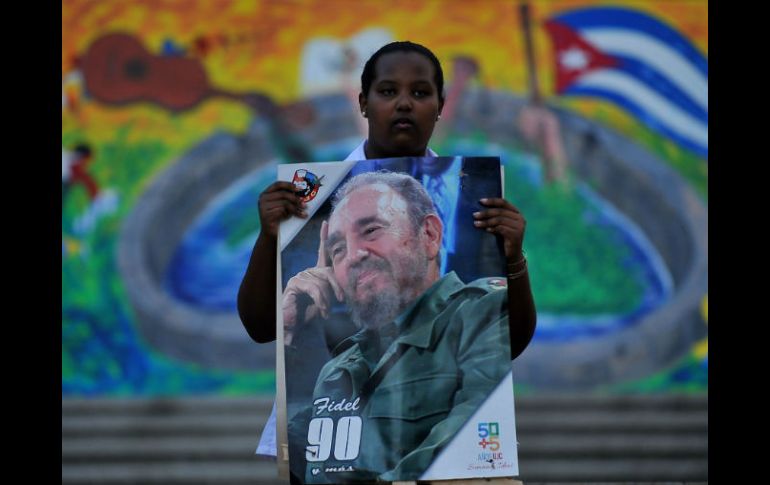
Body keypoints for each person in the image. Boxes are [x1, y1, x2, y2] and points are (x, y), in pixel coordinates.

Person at [237, 40, 536, 481]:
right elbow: (259, 328)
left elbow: (508, 343)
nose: (403, 103)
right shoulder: (308, 197)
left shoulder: (477, 215)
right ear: (363, 102)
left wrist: (514, 260)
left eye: (420, 93)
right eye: (387, 91)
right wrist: (269, 240)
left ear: (440, 106)